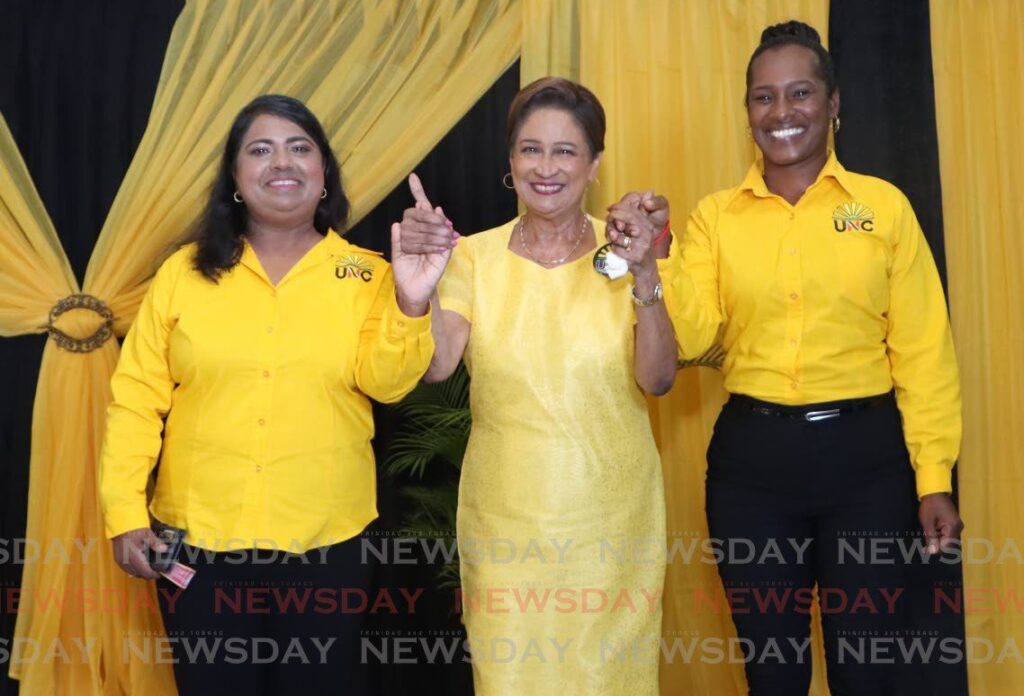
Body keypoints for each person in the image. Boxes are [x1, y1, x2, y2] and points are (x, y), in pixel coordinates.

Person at [99, 94, 444, 695]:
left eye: (299, 148)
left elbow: (387, 383)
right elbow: (136, 400)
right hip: (199, 545)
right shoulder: (182, 273)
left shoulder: (367, 274)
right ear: (235, 179)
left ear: (323, 175)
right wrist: (125, 515)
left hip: (326, 544)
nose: (280, 162)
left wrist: (412, 299)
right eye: (259, 150)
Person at [658, 21, 964, 695]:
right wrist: (657, 261)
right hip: (751, 473)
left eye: (800, 93)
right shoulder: (715, 218)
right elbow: (690, 337)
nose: (782, 112)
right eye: (764, 98)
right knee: (773, 674)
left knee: (866, 669)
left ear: (832, 103)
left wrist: (933, 475)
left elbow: (923, 351)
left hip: (869, 471)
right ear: (748, 113)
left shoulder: (882, 209)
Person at [395, 77, 677, 694]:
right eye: (530, 149)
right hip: (507, 534)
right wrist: (417, 293)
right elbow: (439, 365)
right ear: (510, 161)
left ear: (594, 163)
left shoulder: (628, 249)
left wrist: (647, 273)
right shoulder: (473, 258)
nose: (546, 167)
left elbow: (657, 380)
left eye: (565, 150)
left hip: (612, 528)